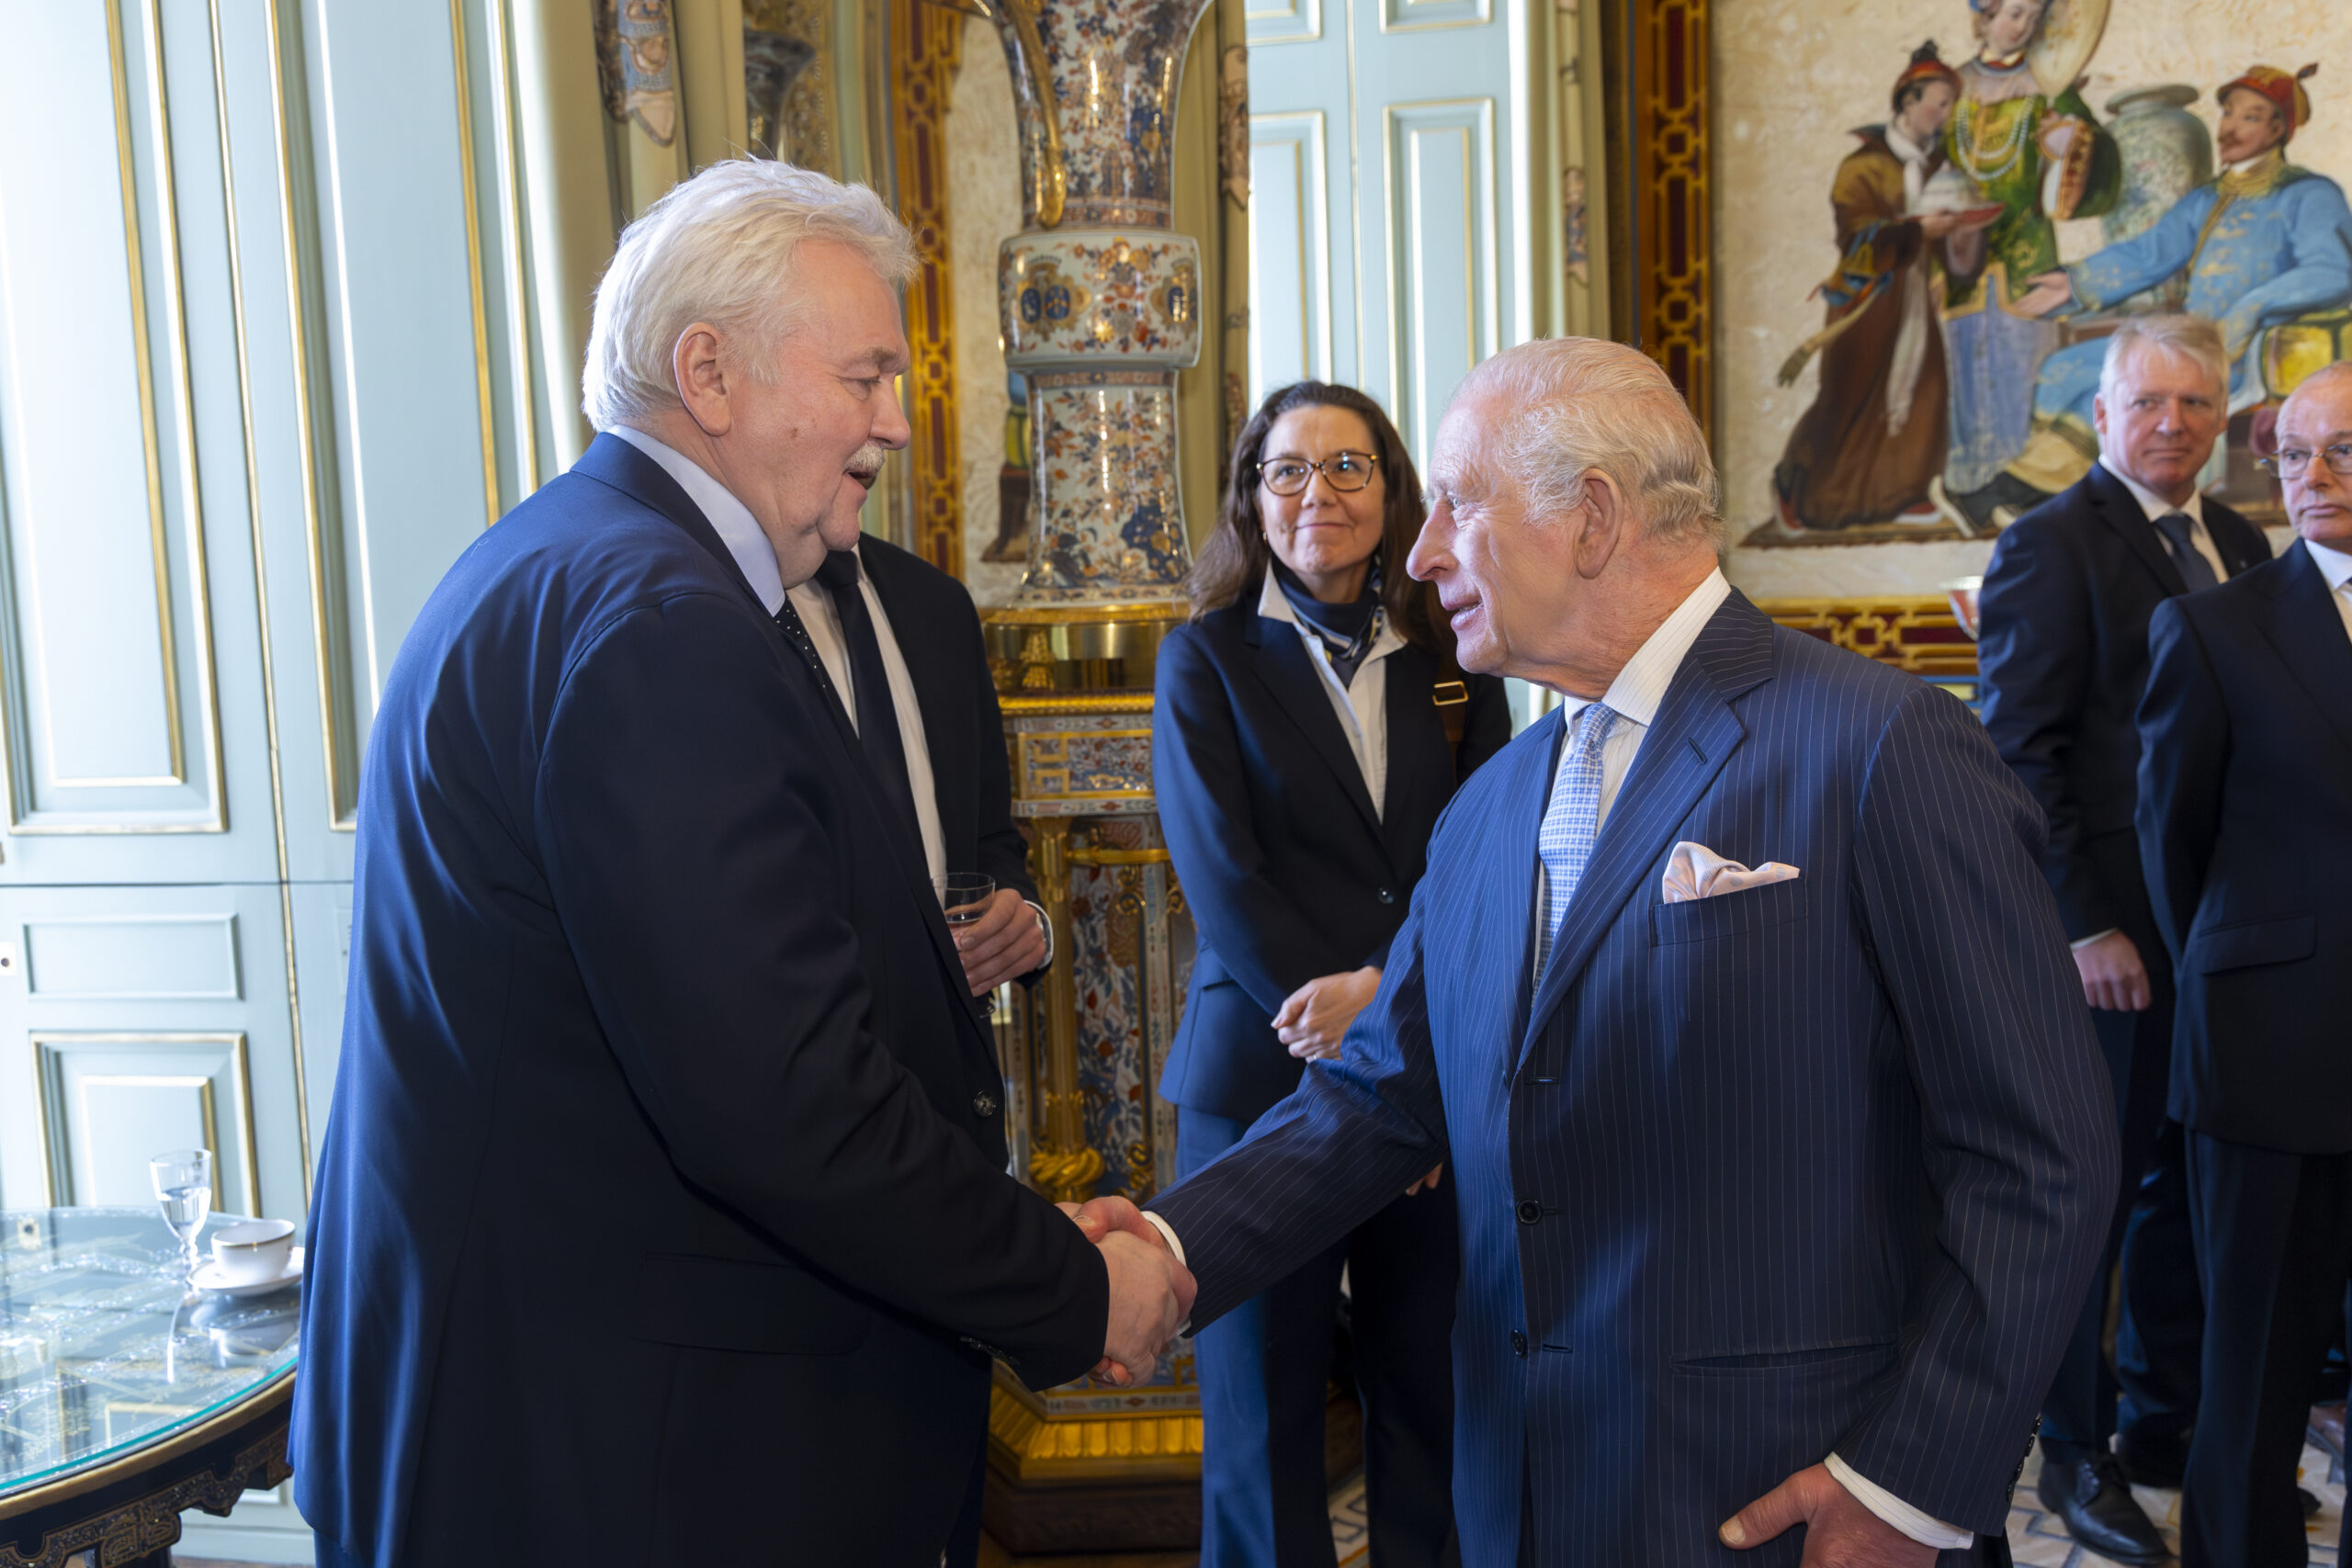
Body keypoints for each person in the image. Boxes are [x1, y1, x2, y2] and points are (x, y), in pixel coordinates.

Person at [1079, 337, 2116, 1564]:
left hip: (1778, 1497)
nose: (1421, 550)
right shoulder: (1490, 803)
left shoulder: (1880, 745)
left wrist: (1910, 1484)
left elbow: (2039, 1153)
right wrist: (1170, 1248)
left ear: (1592, 515)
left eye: (1457, 504)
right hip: (1518, 1496)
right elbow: (1383, 1093)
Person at [289, 160, 1191, 1568]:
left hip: (576, 1415)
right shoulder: (663, 625)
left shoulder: (571, 563)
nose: (894, 421)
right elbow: (789, 1104)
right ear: (707, 372)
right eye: (864, 375)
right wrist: (1073, 1287)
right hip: (631, 1457)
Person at [1154, 380, 1511, 1566]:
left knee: (1430, 1396)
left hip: (1431, 1083)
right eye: (1289, 469)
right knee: (1262, 1417)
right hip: (1259, 1080)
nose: (1320, 492)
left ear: (1394, 492)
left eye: (1349, 466)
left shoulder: (1456, 656)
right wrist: (1365, 1027)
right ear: (1253, 498)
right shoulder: (1203, 657)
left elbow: (1485, 856)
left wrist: (1394, 1012)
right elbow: (1225, 878)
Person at [1975, 315, 2272, 1562]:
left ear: (2223, 419)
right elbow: (2019, 752)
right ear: (2102, 415)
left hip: (2222, 932)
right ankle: (2072, 1453)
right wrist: (2083, 920)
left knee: (2182, 1190)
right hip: (2110, 939)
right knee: (2091, 1202)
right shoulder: (2051, 544)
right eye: (2147, 401)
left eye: (2195, 403)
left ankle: (2160, 1428)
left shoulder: (2241, 540)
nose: (2171, 423)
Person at [2135, 357, 2352, 1567]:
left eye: (2342, 450)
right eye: (2292, 452)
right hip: (2270, 1049)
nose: (2312, 475)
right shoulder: (2214, 627)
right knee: (2255, 1371)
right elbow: (2174, 847)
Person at [2001, 63, 2352, 502]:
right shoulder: (2209, 198)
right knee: (2062, 369)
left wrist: (2251, 308)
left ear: (2278, 129)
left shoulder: (2309, 194)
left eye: (2249, 117)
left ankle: (2060, 494)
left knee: (2114, 389)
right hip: (2194, 343)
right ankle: (2053, 491)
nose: (2230, 127)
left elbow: (2333, 271)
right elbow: (2151, 252)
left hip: (2251, 351)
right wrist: (2075, 284)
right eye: (2228, 113)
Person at [784, 535, 1052, 998]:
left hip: (960, 1017)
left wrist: (1024, 921)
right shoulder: (734, 604)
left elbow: (989, 835)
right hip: (822, 1019)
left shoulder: (939, 601)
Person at [1772, 43, 1970, 531]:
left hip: (1917, 297)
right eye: (1938, 103)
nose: (1945, 114)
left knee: (1922, 388)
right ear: (1908, 102)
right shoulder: (1861, 166)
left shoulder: (1938, 165)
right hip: (1870, 299)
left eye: (1950, 105)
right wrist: (1917, 231)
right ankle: (1805, 491)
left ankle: (1902, 493)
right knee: (1851, 398)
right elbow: (1854, 234)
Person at [1937, 0, 2119, 527]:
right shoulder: (1950, 88)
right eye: (2014, 12)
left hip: (2024, 257)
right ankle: (1967, 494)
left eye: (2034, 17)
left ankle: (2020, 499)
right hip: (1958, 261)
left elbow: (2095, 162)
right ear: (1985, 15)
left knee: (2026, 373)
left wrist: (2072, 142)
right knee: (1964, 376)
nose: (2024, 26)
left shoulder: (2050, 86)